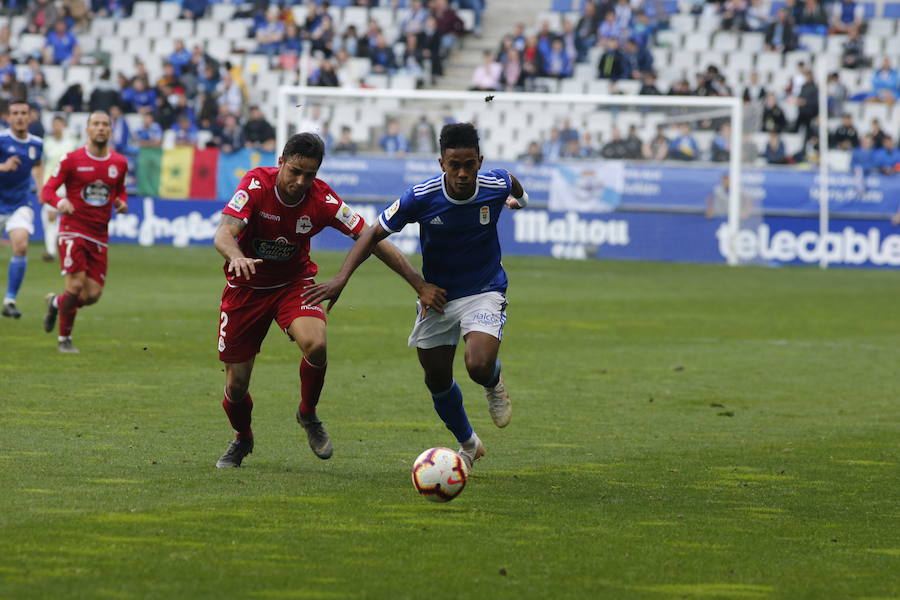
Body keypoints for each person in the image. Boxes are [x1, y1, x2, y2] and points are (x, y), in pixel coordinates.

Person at [303, 123, 526, 471]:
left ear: (480, 161)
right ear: (441, 163)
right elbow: (372, 233)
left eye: (470, 164)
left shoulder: (494, 185)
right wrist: (343, 278)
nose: (463, 173)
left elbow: (511, 180)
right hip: (437, 296)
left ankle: (494, 382)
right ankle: (469, 444)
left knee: (477, 364)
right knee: (436, 379)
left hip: (484, 290)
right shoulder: (421, 197)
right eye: (455, 165)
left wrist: (520, 202)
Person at [211, 132, 428, 469]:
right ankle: (243, 438)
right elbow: (224, 232)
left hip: (293, 284)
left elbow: (371, 236)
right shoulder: (255, 185)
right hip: (247, 288)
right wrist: (236, 256)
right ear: (280, 162)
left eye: (309, 174)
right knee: (236, 386)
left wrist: (417, 283)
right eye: (294, 171)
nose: (300, 181)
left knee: (316, 344)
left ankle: (307, 413)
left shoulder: (323, 200)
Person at [40, 111, 128, 353]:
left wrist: (121, 201)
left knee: (93, 295)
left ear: (110, 130)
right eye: (95, 124)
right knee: (76, 285)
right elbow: (47, 191)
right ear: (87, 129)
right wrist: (59, 203)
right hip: (73, 229)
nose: (101, 128)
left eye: (105, 124)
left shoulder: (119, 163)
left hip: (99, 234)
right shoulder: (71, 160)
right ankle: (64, 339)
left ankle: (56, 303)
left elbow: (119, 190)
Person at [0, 100, 44, 318]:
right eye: (15, 112)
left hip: (20, 203)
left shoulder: (37, 143)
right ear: (8, 116)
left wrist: (41, 187)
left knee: (21, 245)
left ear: (30, 117)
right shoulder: (1, 139)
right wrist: (3, 167)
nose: (19, 116)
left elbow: (37, 165)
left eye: (23, 113)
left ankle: (9, 300)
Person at [41, 114, 77, 262]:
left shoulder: (71, 143)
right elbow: (42, 163)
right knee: (50, 217)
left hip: (67, 185)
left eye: (58, 124)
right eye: (53, 124)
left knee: (68, 219)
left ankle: (65, 247)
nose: (56, 127)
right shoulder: (46, 143)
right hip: (50, 184)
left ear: (64, 126)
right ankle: (50, 251)